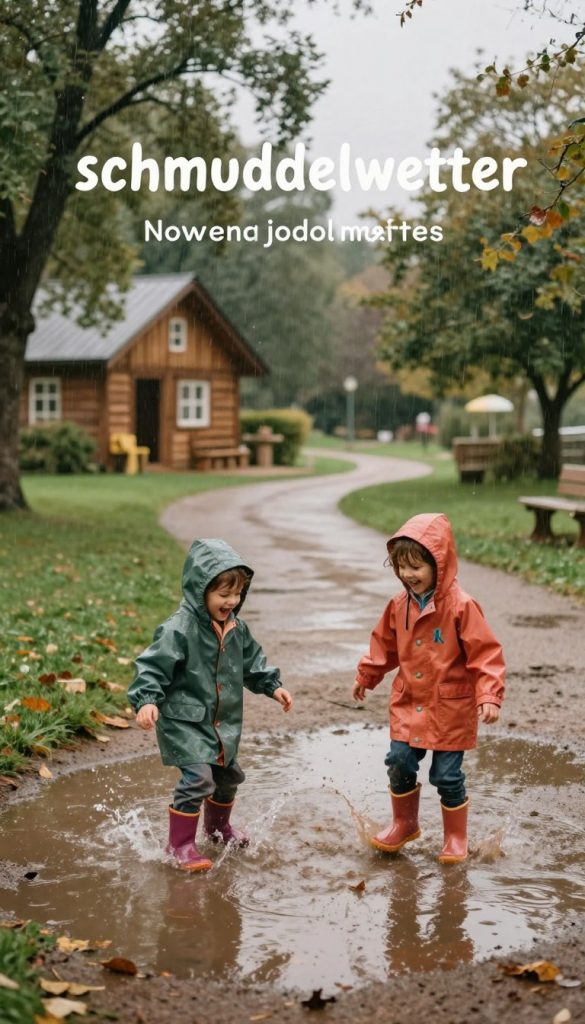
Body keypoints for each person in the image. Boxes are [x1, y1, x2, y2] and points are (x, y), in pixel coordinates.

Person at [128, 538, 293, 872]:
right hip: (184, 721)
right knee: (198, 779)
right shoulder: (180, 628)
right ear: (199, 590)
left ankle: (218, 829)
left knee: (228, 776)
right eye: (223, 594)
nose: (231, 601)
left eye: (237, 594)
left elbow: (252, 662)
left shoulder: (236, 628)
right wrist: (147, 700)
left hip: (221, 723)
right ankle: (180, 845)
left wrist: (273, 687)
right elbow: (153, 666)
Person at [353, 513, 504, 864]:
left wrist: (489, 695)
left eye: (417, 567)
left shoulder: (462, 606)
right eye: (402, 567)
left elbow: (486, 654)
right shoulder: (398, 605)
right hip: (409, 701)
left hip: (450, 707)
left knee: (446, 775)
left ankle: (455, 837)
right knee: (399, 761)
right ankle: (405, 822)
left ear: (440, 564)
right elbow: (384, 646)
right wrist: (367, 675)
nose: (409, 575)